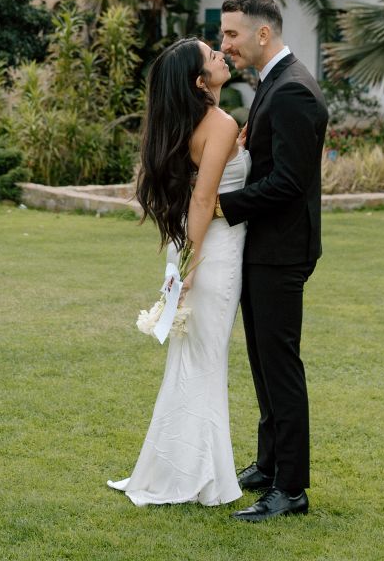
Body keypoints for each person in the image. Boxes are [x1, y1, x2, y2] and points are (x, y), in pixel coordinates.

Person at [108, 38, 249, 505]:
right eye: (212, 57)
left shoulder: (199, 124)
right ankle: (199, 476)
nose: (221, 56)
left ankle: (187, 468)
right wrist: (192, 263)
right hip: (213, 252)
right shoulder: (221, 123)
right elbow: (206, 199)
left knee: (192, 361)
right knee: (206, 362)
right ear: (199, 81)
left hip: (192, 246)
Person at [217, 0, 327, 522]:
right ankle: (267, 464)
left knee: (280, 366)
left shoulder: (292, 92)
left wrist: (222, 206)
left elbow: (287, 183)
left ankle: (291, 489)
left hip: (281, 252)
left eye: (231, 34)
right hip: (264, 248)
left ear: (263, 34)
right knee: (262, 363)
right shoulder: (274, 85)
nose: (225, 44)